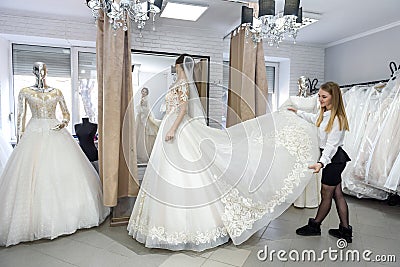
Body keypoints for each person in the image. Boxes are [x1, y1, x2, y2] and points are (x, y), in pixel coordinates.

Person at [127, 54, 320, 251]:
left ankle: (192, 226)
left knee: (185, 172)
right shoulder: (177, 82)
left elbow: (183, 109)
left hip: (177, 129)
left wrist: (172, 129)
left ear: (179, 65)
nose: (174, 68)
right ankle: (161, 223)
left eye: (176, 65)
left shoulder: (183, 84)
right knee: (166, 173)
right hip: (171, 127)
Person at [0, 62, 109, 247]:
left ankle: (71, 214)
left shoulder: (57, 91)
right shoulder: (25, 91)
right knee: (33, 173)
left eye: (43, 69)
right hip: (33, 133)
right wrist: (20, 140)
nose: (40, 72)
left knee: (63, 172)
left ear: (47, 71)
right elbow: (20, 117)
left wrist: (63, 123)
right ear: (32, 71)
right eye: (36, 69)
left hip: (55, 130)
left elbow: (66, 113)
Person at [288, 81, 353, 243]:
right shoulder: (325, 114)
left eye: (324, 97)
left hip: (334, 160)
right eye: (319, 96)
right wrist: (297, 112)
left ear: (334, 98)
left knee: (326, 195)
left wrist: (322, 163)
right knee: (337, 194)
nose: (320, 99)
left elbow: (331, 146)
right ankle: (345, 230)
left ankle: (315, 226)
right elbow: (313, 118)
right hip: (332, 159)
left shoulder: (337, 118)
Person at [135, 87, 160, 163]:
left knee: (143, 136)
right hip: (140, 118)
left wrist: (141, 109)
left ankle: (143, 154)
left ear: (147, 93)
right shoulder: (142, 99)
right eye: (143, 91)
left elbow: (147, 110)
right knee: (139, 135)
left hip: (143, 119)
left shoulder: (145, 100)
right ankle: (139, 154)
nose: (143, 93)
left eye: (145, 92)